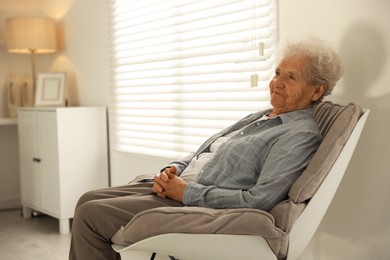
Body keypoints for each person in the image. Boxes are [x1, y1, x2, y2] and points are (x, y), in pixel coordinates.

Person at [69, 36, 344, 260]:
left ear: (317, 91)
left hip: (199, 205)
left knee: (90, 215)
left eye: (291, 77)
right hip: (180, 186)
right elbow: (205, 151)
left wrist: (187, 192)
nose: (277, 82)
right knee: (87, 198)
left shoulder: (300, 134)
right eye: (276, 72)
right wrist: (174, 168)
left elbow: (260, 200)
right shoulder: (263, 116)